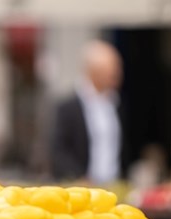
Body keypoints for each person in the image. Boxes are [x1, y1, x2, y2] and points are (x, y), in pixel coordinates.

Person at [49, 39, 127, 185]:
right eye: (112, 69)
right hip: (83, 188)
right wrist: (79, 177)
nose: (118, 73)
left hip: (114, 185)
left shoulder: (115, 103)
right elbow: (58, 151)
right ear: (94, 71)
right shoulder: (68, 108)